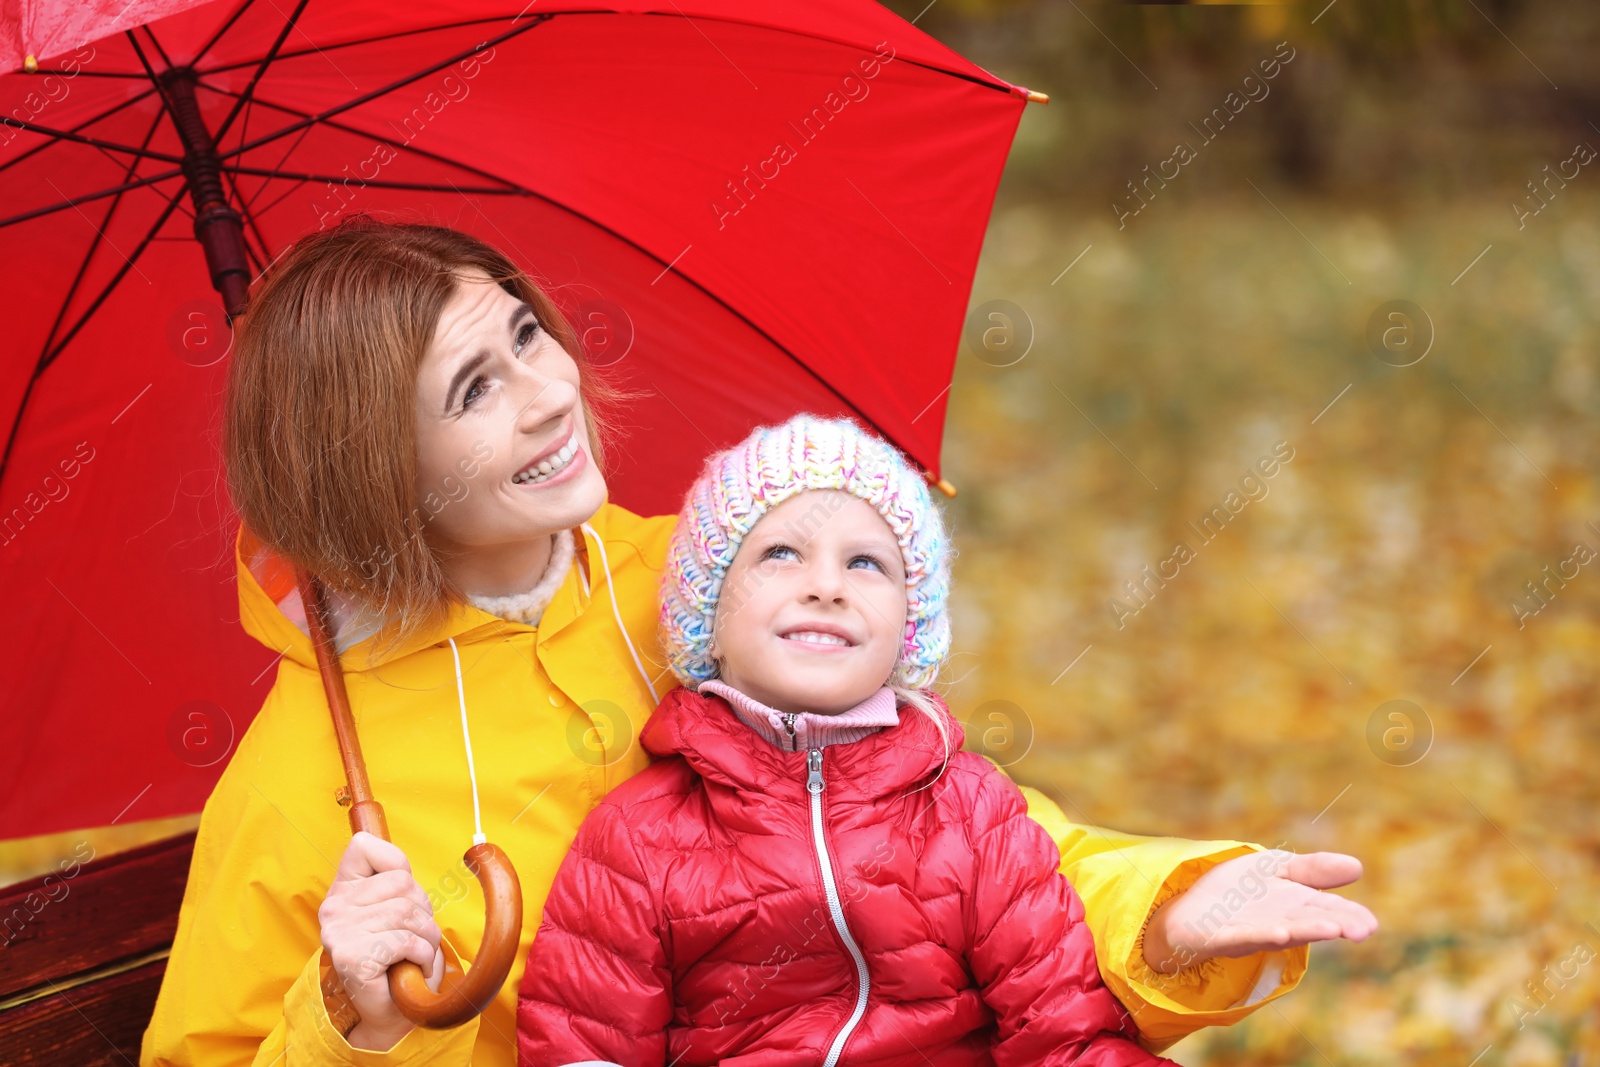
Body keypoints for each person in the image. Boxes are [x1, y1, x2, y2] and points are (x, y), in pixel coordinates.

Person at [141, 219, 1377, 1067]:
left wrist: (1163, 906)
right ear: (370, 467)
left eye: (524, 332)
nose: (547, 390)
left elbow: (941, 831)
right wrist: (346, 1016)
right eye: (470, 389)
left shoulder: (716, 576)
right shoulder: (309, 776)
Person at [517, 414, 1189, 1066]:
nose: (827, 586)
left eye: (867, 562)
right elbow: (584, 1042)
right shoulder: (638, 836)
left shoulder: (972, 811)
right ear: (708, 615)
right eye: (780, 553)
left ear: (909, 625)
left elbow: (1063, 1034)